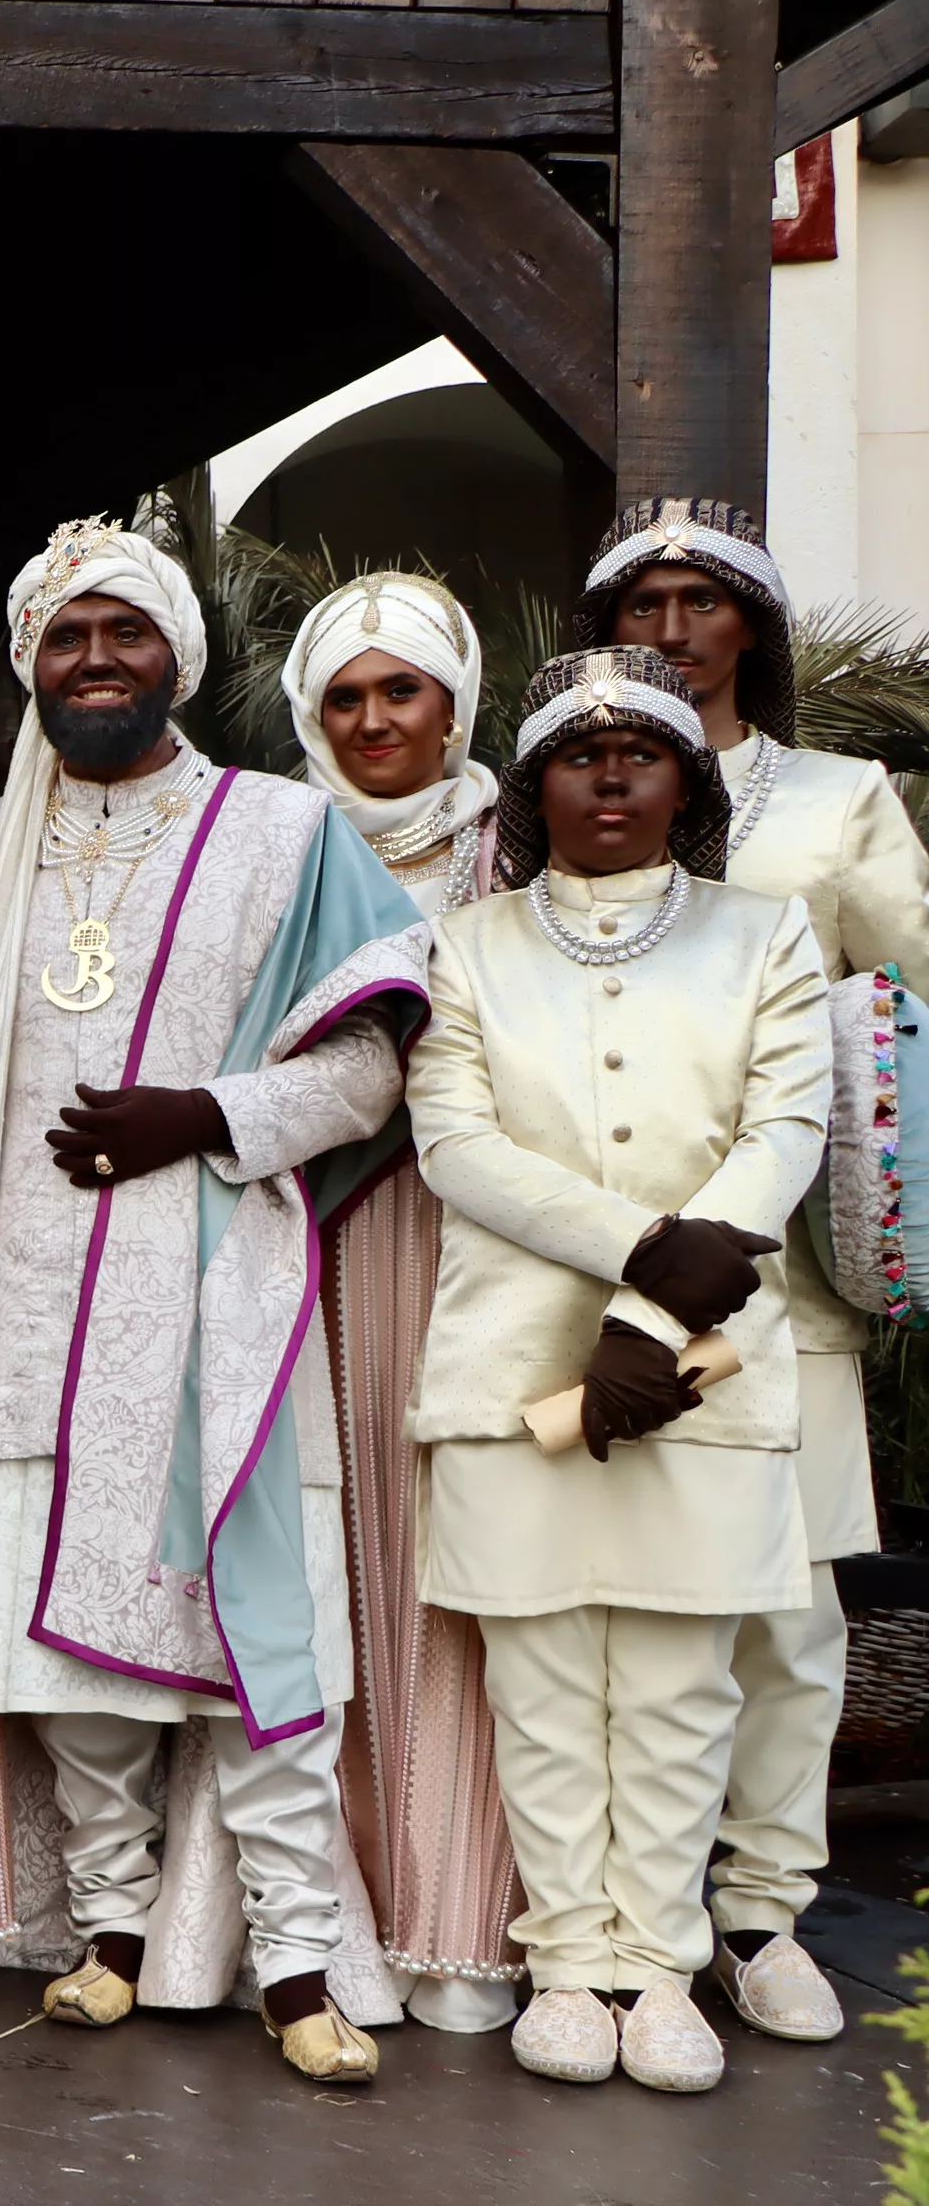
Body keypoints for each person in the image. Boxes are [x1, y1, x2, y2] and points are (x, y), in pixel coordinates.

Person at [0, 521, 423, 2086]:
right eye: (66, 639)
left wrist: (203, 1118)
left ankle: (294, 1955)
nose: (95, 663)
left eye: (124, 635)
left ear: (181, 661)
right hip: (23, 1302)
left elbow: (370, 1068)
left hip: (215, 1292)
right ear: (27, 667)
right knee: (69, 1671)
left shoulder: (289, 832)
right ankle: (110, 1927)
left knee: (250, 1627)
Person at [406, 648, 825, 2093]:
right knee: (539, 1683)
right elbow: (456, 1147)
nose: (608, 778)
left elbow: (787, 1129)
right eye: (576, 759)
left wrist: (662, 1318)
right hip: (510, 1363)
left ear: (686, 781)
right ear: (531, 790)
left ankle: (660, 1964)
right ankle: (567, 1960)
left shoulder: (767, 936)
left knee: (676, 1685)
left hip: (706, 1365)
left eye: (638, 755)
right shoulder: (468, 947)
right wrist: (652, 1250)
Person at [572, 497, 924, 2047]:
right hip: (590, 1256)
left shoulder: (839, 801)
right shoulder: (557, 793)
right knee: (610, 1605)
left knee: (785, 1611)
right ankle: (611, 1922)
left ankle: (762, 1911)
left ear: (751, 631)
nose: (669, 622)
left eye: (700, 598)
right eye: (640, 597)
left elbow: (906, 1003)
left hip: (781, 1279)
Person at [280, 575, 523, 2035]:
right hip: (318, 1252)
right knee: (339, 1558)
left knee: (467, 1558)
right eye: (345, 699)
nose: (374, 722)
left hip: (487, 1255)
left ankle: (470, 1910)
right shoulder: (286, 848)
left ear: (458, 705)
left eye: (403, 692)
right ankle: (341, 1904)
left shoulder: (520, 854)